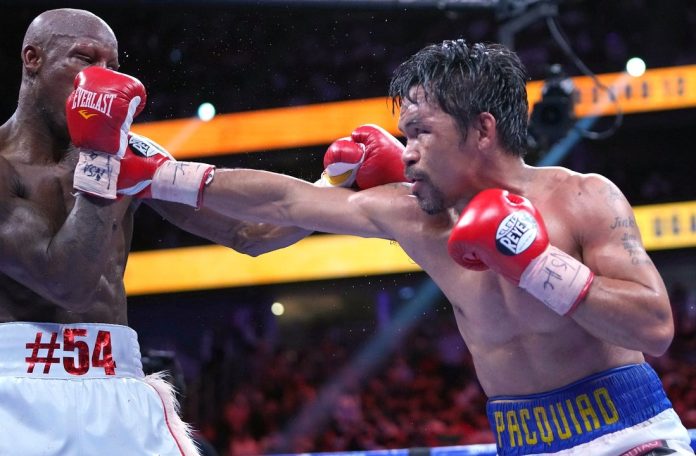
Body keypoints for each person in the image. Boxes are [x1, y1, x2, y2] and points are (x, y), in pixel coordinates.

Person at [109, 39, 695, 455]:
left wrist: (537, 263)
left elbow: (654, 327)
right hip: (523, 442)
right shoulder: (415, 216)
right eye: (404, 135)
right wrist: (160, 176)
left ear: (482, 129)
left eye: (421, 133)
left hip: (632, 436)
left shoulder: (584, 198)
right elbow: (284, 203)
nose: (406, 151)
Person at [0, 8, 311, 456]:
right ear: (33, 58)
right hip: (17, 392)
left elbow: (251, 232)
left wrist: (340, 187)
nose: (103, 79)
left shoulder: (131, 152)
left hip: (119, 388)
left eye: (113, 66)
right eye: (85, 59)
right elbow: (67, 284)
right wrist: (101, 162)